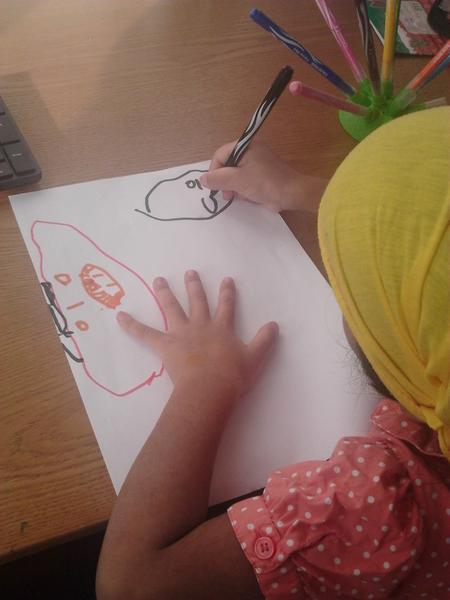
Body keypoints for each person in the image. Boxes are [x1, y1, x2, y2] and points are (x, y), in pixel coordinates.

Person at [96, 106, 449, 600]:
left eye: (347, 282)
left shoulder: (384, 509)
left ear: (409, 355)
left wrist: (206, 384)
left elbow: (131, 583)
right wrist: (301, 188)